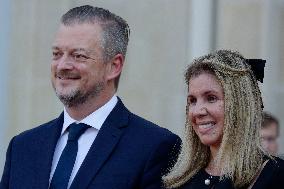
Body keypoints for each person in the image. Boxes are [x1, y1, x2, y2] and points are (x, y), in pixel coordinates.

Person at [0, 5, 180, 189]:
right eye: (57, 54)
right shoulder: (22, 147)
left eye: (78, 55)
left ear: (113, 66)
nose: (62, 65)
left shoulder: (154, 146)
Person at [163, 50, 284, 189]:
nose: (197, 111)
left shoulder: (275, 176)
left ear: (240, 103)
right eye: (192, 100)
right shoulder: (180, 179)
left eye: (211, 98)